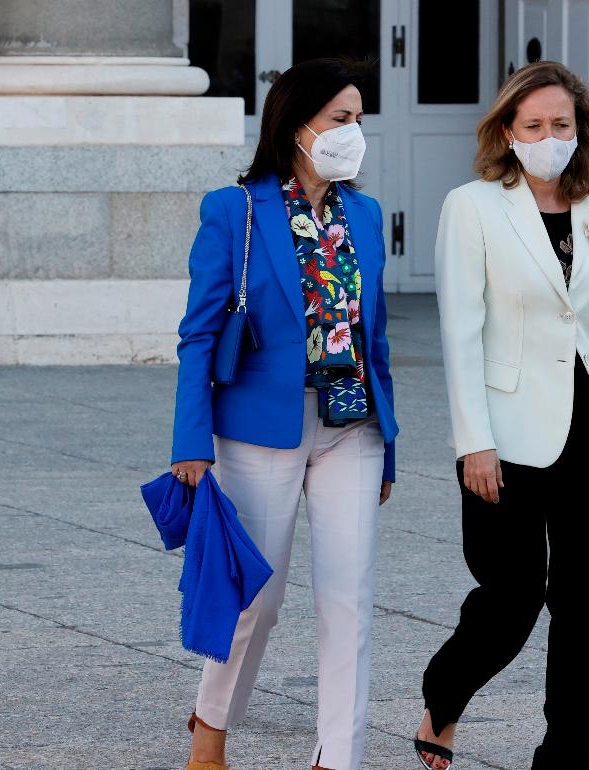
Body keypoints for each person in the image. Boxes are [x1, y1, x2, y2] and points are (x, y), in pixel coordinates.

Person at [413, 60, 589, 770]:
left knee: (585, 608)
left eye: (561, 124)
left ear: (580, 129)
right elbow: (461, 334)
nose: (549, 136)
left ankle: (566, 760)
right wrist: (474, 442)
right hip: (504, 430)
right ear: (508, 131)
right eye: (534, 125)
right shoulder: (471, 206)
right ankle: (444, 695)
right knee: (512, 597)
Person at [169, 58, 397, 770]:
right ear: (296, 125)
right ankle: (211, 723)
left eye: (359, 118)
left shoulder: (362, 213)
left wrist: (389, 443)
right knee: (256, 598)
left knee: (347, 599)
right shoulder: (233, 211)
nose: (353, 132)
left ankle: (338, 758)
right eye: (340, 118)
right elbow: (198, 334)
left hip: (352, 425)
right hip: (260, 428)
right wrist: (190, 440)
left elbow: (375, 335)